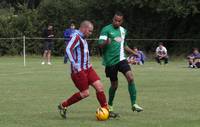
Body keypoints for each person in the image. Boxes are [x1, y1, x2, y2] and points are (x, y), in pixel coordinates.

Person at [58, 21, 109, 119]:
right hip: (78, 71)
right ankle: (63, 105)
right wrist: (74, 64)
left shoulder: (83, 38)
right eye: (90, 31)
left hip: (88, 68)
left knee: (99, 87)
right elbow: (68, 49)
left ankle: (106, 110)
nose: (90, 33)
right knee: (85, 93)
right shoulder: (76, 37)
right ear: (84, 29)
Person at [98, 12, 143, 116]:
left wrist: (134, 53)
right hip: (110, 62)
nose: (116, 22)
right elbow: (100, 45)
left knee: (130, 78)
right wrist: (106, 43)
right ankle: (110, 105)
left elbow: (125, 45)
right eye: (115, 20)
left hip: (121, 59)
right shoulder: (106, 30)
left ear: (121, 21)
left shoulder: (123, 31)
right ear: (112, 19)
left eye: (119, 21)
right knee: (114, 85)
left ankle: (134, 104)